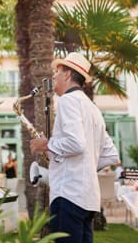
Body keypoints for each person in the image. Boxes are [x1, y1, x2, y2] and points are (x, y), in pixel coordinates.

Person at [30, 52, 119, 243]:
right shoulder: (92, 107)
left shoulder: (68, 101)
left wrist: (45, 145)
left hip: (68, 195)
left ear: (68, 75)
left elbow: (76, 144)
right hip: (88, 198)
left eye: (57, 71)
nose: (53, 76)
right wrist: (85, 166)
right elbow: (111, 155)